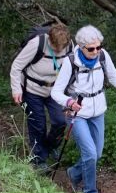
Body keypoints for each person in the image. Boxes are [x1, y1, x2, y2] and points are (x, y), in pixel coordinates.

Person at [50, 25, 116, 193]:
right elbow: (56, 92)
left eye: (98, 47)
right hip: (78, 113)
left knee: (96, 154)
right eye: (91, 49)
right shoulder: (70, 62)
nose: (96, 51)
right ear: (81, 47)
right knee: (90, 154)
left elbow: (113, 76)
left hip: (98, 111)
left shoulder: (103, 56)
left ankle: (74, 173)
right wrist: (69, 102)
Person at [10, 23, 73, 168]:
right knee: (38, 125)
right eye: (56, 47)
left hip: (55, 90)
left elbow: (72, 69)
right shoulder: (37, 44)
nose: (59, 50)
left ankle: (50, 147)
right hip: (32, 90)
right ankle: (39, 159)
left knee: (60, 122)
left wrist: (72, 94)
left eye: (61, 47)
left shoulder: (69, 46)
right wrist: (16, 89)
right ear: (50, 39)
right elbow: (16, 66)